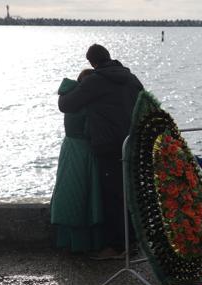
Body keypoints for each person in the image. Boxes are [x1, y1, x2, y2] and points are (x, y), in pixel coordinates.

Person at [59, 44, 144, 259]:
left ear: (91, 62)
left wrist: (65, 88)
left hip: (107, 146)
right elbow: (144, 104)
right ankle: (132, 242)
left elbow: (67, 105)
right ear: (108, 56)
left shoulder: (96, 80)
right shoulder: (131, 78)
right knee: (128, 195)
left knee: (112, 197)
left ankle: (117, 247)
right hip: (131, 144)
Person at [51, 68, 105, 254]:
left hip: (69, 149)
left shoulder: (69, 100)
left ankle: (68, 240)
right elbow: (92, 129)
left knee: (70, 192)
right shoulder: (86, 105)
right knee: (88, 196)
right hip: (85, 151)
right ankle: (89, 242)